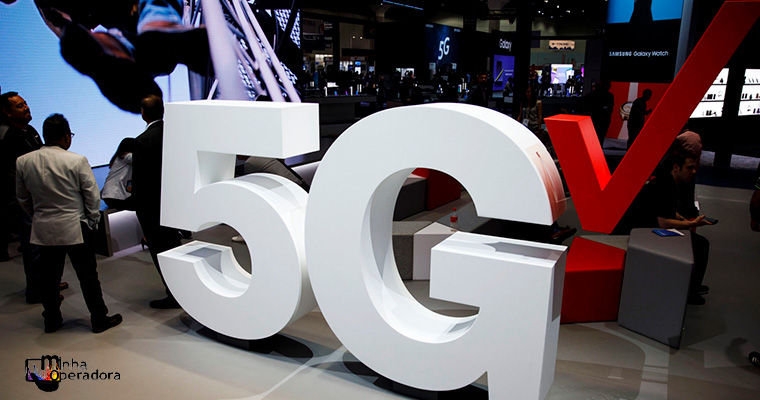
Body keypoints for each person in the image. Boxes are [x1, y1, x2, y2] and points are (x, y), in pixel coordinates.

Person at [16, 114, 122, 333]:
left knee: (49, 278)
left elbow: (23, 198)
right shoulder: (76, 160)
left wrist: (37, 215)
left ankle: (51, 320)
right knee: (87, 276)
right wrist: (92, 220)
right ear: (66, 136)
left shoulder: (23, 161)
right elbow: (91, 195)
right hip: (75, 226)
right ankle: (99, 318)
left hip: (43, 227)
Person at [639, 149, 714, 305]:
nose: (694, 171)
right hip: (645, 231)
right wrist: (691, 223)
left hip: (649, 227)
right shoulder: (666, 185)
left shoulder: (669, 182)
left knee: (696, 242)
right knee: (700, 244)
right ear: (676, 167)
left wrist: (682, 219)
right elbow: (663, 222)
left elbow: (666, 209)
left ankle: (692, 285)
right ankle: (691, 291)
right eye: (689, 167)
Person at [132, 95, 182, 309]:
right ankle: (183, 291)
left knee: (161, 252)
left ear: (143, 113)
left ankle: (174, 294)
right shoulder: (175, 134)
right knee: (175, 249)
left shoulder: (142, 141)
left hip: (153, 208)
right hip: (175, 203)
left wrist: (138, 207)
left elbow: (141, 181)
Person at [0, 92, 50, 300]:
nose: (26, 108)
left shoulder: (30, 130)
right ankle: (36, 290)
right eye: (19, 106)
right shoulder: (6, 136)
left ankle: (45, 284)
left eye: (25, 103)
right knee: (32, 245)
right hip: (21, 199)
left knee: (42, 244)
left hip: (38, 195)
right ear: (7, 112)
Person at [101, 137, 138, 210]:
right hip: (115, 196)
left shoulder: (119, 157)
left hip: (109, 195)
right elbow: (142, 158)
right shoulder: (127, 157)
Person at [583, 81, 614, 147]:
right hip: (596, 119)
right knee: (596, 136)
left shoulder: (609, 96)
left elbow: (610, 108)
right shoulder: (593, 95)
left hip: (602, 119)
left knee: (599, 136)